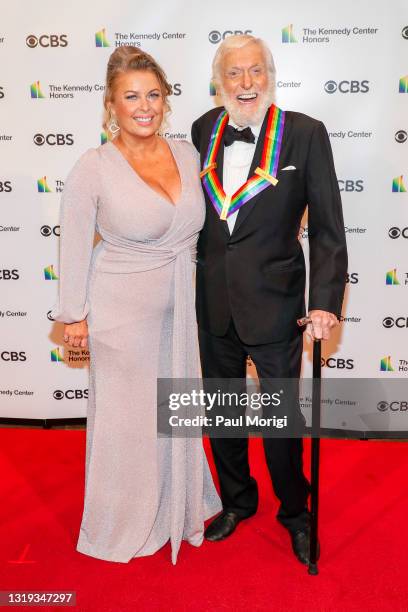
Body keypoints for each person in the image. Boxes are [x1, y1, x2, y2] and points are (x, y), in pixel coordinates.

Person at [51, 46, 221, 565]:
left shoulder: (188, 154)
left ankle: (177, 504)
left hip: (180, 306)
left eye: (153, 94)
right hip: (120, 311)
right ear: (111, 104)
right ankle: (122, 519)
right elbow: (75, 243)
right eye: (131, 96)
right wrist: (73, 316)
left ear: (166, 99)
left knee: (174, 410)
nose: (144, 106)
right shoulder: (93, 167)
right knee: (127, 422)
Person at [191, 35, 348, 564]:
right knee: (224, 414)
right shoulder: (204, 130)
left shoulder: (305, 134)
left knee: (281, 423)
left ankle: (295, 513)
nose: (245, 84)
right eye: (233, 74)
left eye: (255, 71)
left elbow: (328, 228)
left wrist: (325, 300)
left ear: (270, 75)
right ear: (219, 82)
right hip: (213, 304)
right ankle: (238, 501)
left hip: (278, 305)